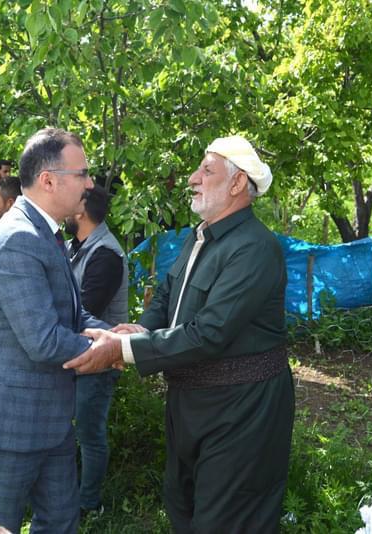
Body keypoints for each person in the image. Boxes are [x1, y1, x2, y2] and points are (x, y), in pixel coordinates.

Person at [65, 135, 295, 533]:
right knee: (182, 506)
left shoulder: (255, 248)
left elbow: (210, 333)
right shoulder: (200, 236)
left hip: (241, 411)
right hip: (191, 402)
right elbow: (168, 296)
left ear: (238, 183)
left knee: (226, 519)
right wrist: (139, 329)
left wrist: (127, 348)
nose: (192, 178)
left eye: (206, 171)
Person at [0, 128, 114, 534]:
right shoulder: (19, 239)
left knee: (61, 522)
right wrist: (112, 352)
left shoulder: (45, 231)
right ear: (49, 180)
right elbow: (44, 339)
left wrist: (115, 335)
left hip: (50, 420)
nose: (90, 183)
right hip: (7, 425)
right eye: (82, 173)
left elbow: (72, 315)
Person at [64, 184, 128, 516]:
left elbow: (82, 311)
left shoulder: (105, 254)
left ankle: (89, 505)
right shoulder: (76, 246)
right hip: (78, 357)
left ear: (81, 211)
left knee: (90, 433)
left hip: (99, 362)